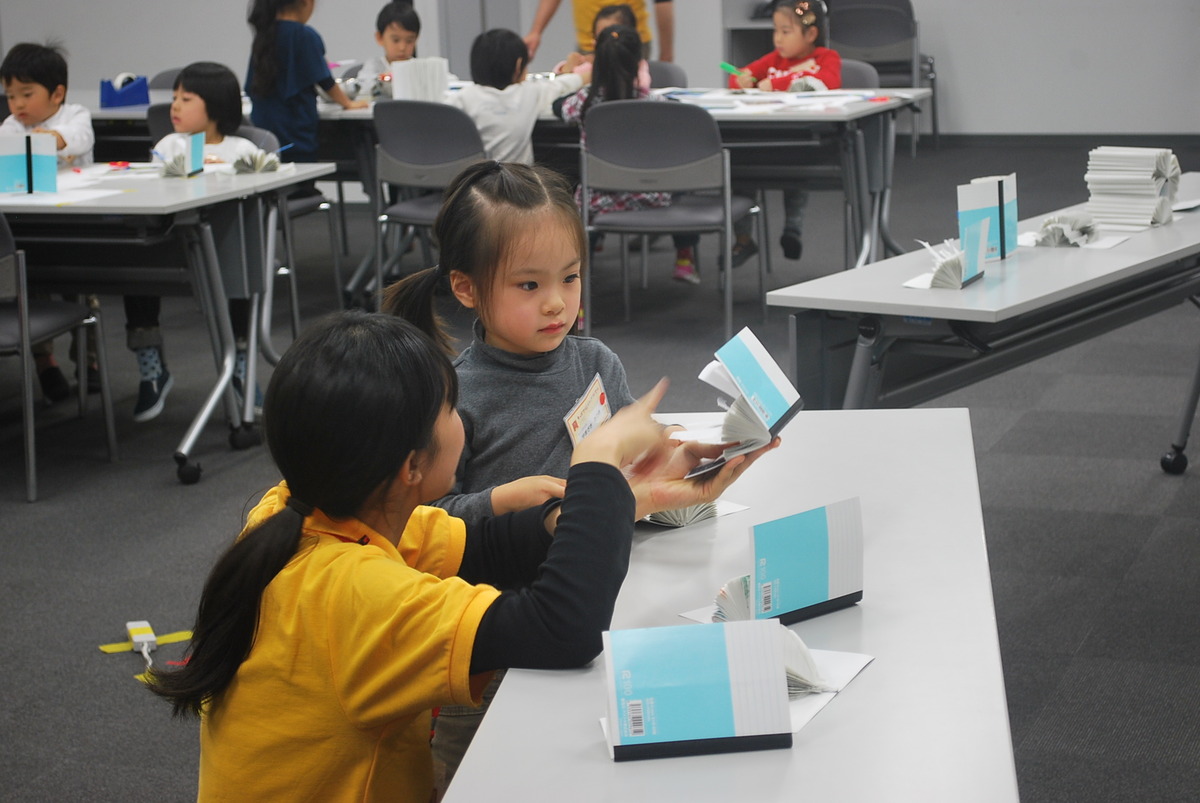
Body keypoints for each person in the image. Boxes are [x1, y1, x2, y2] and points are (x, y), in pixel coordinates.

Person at [146, 309, 774, 802]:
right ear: (410, 467)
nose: (460, 418)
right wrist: (596, 464)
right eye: (449, 409)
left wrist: (623, 498)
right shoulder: (356, 596)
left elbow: (486, 547)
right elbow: (563, 629)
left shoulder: (295, 508)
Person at [384, 159, 634, 791]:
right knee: (484, 779)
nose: (557, 302)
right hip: (494, 641)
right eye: (529, 285)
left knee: (590, 769)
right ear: (467, 289)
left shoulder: (596, 362)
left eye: (570, 278)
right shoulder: (454, 399)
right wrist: (498, 501)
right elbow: (418, 527)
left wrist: (669, 455)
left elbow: (629, 460)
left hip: (595, 603)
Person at [123, 62, 262, 422]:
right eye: (174, 98)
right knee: (134, 264)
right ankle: (151, 368)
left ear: (216, 106)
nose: (175, 106)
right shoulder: (168, 145)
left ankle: (240, 366)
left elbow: (263, 179)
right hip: (171, 245)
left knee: (242, 273)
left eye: (186, 99)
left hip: (224, 250)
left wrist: (222, 169)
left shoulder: (241, 148)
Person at [560, 25, 701, 284]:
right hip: (652, 196)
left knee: (577, 207)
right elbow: (680, 115)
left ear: (598, 62)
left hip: (597, 201)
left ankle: (578, 289)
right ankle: (684, 258)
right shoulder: (655, 104)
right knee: (681, 178)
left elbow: (560, 108)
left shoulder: (585, 101)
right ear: (639, 62)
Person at [0, 41, 98, 402]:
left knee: (85, 293)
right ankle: (46, 363)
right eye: (11, 96)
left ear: (57, 94)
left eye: (27, 94)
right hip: (30, 226)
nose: (18, 105)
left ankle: (90, 361)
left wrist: (55, 139)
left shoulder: (74, 115)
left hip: (75, 223)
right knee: (34, 290)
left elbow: (81, 138)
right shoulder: (11, 127)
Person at [726, 0, 841, 265]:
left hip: (802, 140)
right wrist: (741, 80)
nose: (778, 38)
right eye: (775, 30)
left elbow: (828, 81)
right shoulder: (774, 60)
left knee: (795, 176)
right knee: (740, 168)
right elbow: (740, 75)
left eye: (785, 31)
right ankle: (743, 238)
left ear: (810, 34)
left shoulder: (825, 58)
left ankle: (792, 228)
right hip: (763, 140)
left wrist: (776, 83)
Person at [245, 0, 367, 164]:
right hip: (295, 131)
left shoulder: (264, 35)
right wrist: (347, 103)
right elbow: (325, 81)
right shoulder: (304, 35)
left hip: (265, 129)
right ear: (307, 2)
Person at [448, 29, 582, 164]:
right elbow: (568, 83)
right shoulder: (529, 93)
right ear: (518, 66)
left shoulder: (462, 98)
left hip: (473, 175)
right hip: (518, 176)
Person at [525, 0, 674, 63]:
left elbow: (662, 2)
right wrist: (536, 31)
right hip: (589, 44)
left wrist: (666, 54)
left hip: (626, 43)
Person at [553, 4, 651, 92]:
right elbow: (561, 86)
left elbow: (642, 86)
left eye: (610, 37)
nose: (599, 43)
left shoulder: (638, 66)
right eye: (599, 37)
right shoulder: (590, 66)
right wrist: (567, 67)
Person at [359, 1, 420, 87]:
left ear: (416, 39)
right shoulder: (373, 66)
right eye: (396, 40)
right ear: (380, 38)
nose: (402, 47)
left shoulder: (419, 68)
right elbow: (364, 88)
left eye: (409, 41)